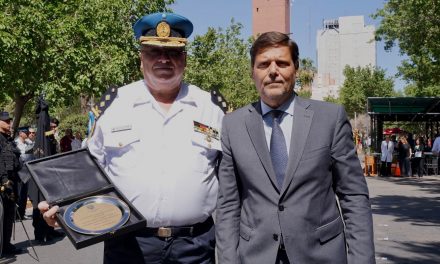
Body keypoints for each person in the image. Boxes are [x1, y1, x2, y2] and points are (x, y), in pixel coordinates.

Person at [39, 12, 224, 264]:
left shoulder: (211, 107)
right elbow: (90, 170)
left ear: (185, 59)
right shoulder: (113, 105)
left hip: (195, 245)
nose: (163, 59)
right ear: (141, 59)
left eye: (172, 52)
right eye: (153, 52)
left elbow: (229, 173)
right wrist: (62, 210)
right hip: (128, 244)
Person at [216, 32, 374, 264]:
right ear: (252, 72)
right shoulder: (233, 125)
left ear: (296, 69)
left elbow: (353, 196)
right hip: (255, 256)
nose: (272, 71)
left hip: (320, 255)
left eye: (282, 63)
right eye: (263, 64)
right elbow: (228, 204)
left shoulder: (330, 118)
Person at [0, 112, 23, 255]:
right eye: (5, 121)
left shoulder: (8, 139)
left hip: (11, 182)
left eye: (9, 121)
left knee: (9, 216)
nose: (9, 124)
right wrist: (3, 180)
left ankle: (6, 245)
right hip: (2, 184)